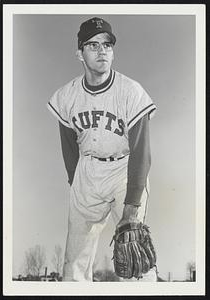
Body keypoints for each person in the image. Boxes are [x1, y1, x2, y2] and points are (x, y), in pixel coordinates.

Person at [47, 17, 157, 282]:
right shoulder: (66, 95)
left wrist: (132, 207)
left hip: (124, 169)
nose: (102, 51)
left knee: (135, 265)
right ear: (80, 54)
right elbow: (69, 145)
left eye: (107, 45)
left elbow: (141, 152)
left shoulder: (131, 91)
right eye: (93, 45)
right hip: (87, 170)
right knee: (74, 264)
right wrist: (76, 183)